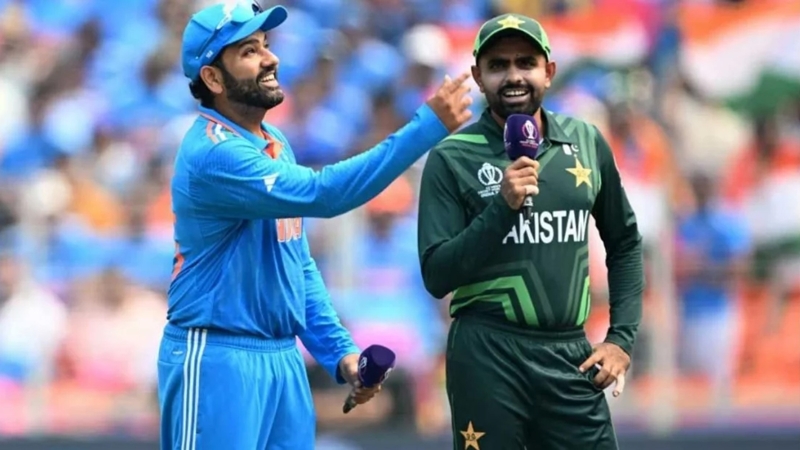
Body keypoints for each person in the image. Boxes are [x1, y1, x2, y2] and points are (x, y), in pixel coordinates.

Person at [159, 2, 473, 450]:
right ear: (212, 78)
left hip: (282, 359)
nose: (271, 58)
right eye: (249, 51)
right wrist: (426, 127)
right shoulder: (214, 153)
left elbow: (296, 266)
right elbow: (325, 195)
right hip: (218, 356)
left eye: (265, 45)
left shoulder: (274, 143)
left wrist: (339, 352)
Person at [417, 13, 644, 450]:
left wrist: (621, 339)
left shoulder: (586, 141)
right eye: (498, 65)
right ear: (478, 77)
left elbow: (625, 243)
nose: (513, 76)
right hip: (487, 355)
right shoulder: (451, 157)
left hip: (570, 354)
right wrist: (501, 208)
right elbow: (436, 275)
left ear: (549, 72)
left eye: (526, 62)